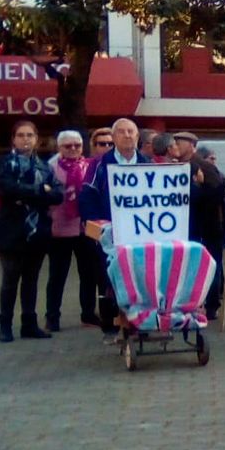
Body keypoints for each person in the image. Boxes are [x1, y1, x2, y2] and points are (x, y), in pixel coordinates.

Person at [78, 117, 150, 341]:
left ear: (137, 137)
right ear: (114, 137)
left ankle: (142, 321)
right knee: (109, 278)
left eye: (131, 132)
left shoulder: (147, 163)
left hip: (142, 232)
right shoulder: (98, 165)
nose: (127, 135)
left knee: (141, 277)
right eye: (122, 132)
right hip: (111, 232)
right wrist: (96, 224)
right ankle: (110, 322)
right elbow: (87, 197)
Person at [0, 120, 62, 342]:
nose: (25, 139)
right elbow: (7, 189)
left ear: (36, 139)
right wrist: (40, 190)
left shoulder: (45, 167)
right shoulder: (5, 163)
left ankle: (29, 324)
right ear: (13, 139)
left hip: (38, 231)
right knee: (10, 280)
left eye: (30, 135)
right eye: (21, 135)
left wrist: (30, 193)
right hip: (11, 231)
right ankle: (5, 325)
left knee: (31, 281)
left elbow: (58, 195)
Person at [44, 129, 99, 333]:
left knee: (88, 274)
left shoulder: (89, 165)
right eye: (68, 146)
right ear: (59, 148)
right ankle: (52, 317)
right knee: (57, 276)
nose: (74, 149)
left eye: (77, 145)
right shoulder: (49, 167)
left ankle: (88, 314)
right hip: (59, 228)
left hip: (84, 228)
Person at [191, 143, 225, 320]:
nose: (213, 162)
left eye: (215, 159)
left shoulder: (219, 176)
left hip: (216, 229)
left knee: (214, 267)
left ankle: (212, 304)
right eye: (210, 159)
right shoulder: (203, 182)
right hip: (203, 229)